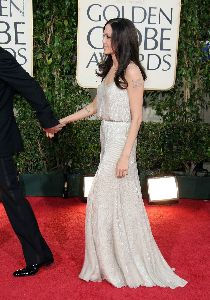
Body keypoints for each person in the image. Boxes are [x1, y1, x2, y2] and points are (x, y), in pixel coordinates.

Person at [60, 18, 187, 288]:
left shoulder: (132, 71)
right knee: (112, 202)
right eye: (103, 35)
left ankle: (117, 263)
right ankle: (112, 261)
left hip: (121, 142)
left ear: (121, 38)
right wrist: (63, 121)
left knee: (98, 198)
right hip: (107, 137)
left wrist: (125, 155)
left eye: (108, 36)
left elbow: (137, 117)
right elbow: (94, 107)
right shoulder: (111, 68)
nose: (103, 40)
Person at [0, 47, 64, 277]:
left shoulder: (1, 57)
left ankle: (38, 255)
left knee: (12, 197)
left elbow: (30, 87)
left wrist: (47, 119)